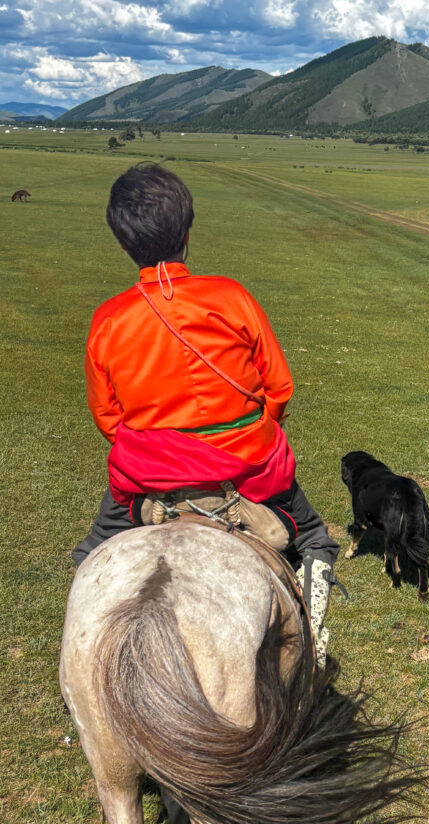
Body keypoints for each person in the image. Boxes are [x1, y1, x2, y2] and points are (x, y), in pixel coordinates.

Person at [72, 162, 339, 664]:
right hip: (249, 469)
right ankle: (314, 645)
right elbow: (279, 387)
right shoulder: (231, 297)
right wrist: (246, 433)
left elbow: (108, 420)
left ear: (123, 243)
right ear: (187, 231)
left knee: (91, 554)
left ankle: (81, 658)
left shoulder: (108, 319)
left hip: (149, 477)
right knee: (315, 540)